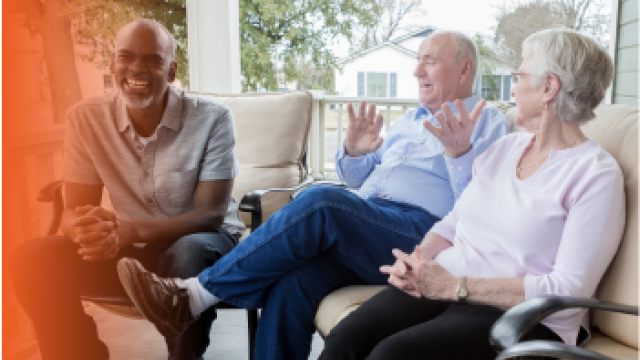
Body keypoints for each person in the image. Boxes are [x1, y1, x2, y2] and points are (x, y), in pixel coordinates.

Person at [116, 30, 509, 360]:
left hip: (421, 236)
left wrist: (459, 154)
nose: (416, 70)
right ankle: (192, 299)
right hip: (371, 224)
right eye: (418, 60)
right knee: (292, 284)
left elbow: (482, 207)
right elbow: (357, 182)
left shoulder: (487, 123)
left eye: (429, 61)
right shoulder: (409, 121)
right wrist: (356, 153)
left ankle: (193, 295)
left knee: (322, 202)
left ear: (464, 68)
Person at [319, 28, 625, 360]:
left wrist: (454, 286)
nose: (513, 87)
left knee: (393, 354)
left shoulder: (595, 174)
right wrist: (417, 262)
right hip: (448, 283)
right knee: (347, 336)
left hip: (520, 312)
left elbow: (569, 288)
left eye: (519, 76)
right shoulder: (507, 148)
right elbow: (454, 221)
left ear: (548, 88)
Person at [10, 19, 245, 360]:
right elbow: (74, 210)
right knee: (32, 258)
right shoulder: (86, 119)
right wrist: (87, 230)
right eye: (126, 57)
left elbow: (210, 216)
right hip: (130, 254)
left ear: (172, 69)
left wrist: (127, 230)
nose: (137, 69)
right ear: (113, 64)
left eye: (152, 59)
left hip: (202, 246)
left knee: (189, 252)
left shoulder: (213, 119)